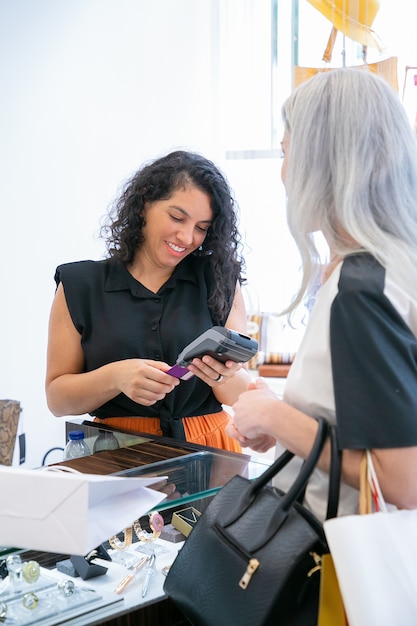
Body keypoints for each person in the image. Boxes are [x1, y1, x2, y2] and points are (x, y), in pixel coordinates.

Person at [227, 68, 417, 517]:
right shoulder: (393, 269)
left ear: (324, 162)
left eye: (287, 153)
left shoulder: (361, 290)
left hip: (338, 567)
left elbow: (402, 479)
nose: (284, 174)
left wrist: (275, 417)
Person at [46, 150, 252, 452]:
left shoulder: (219, 278)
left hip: (211, 452)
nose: (186, 237)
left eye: (201, 228)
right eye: (177, 217)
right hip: (114, 455)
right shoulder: (80, 285)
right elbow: (57, 400)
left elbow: (242, 394)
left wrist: (220, 376)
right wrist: (115, 377)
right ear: (144, 204)